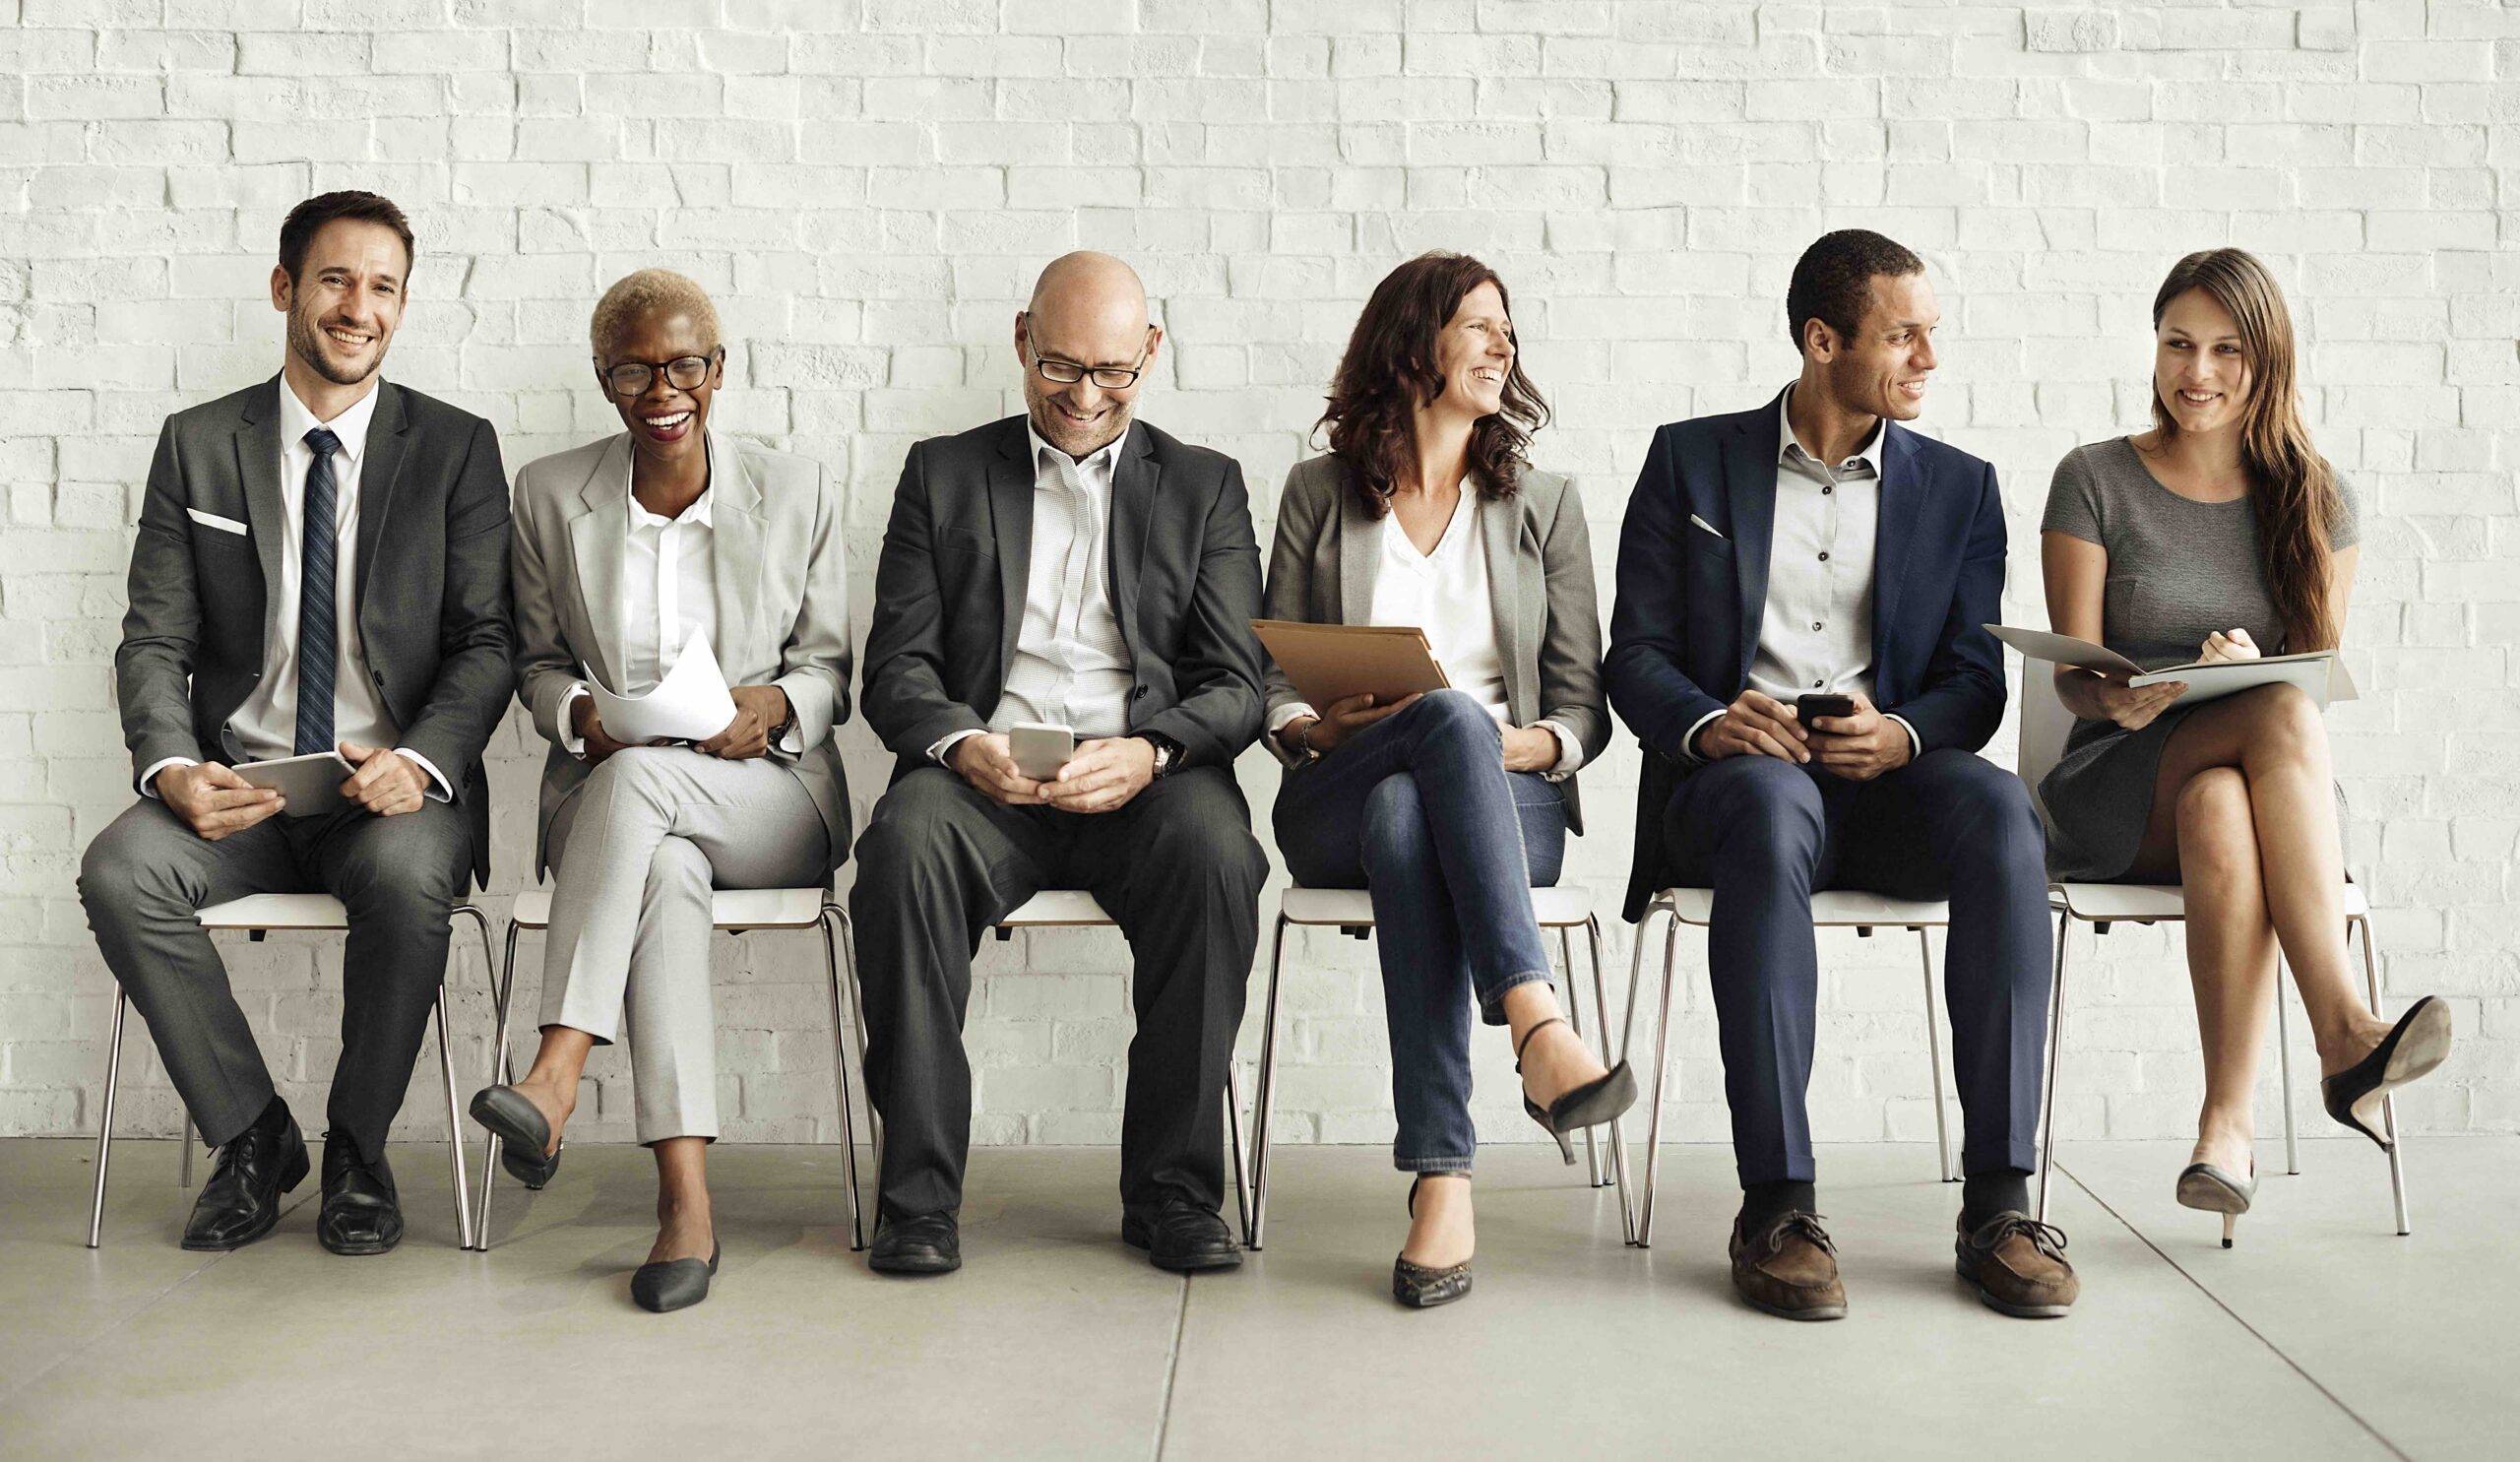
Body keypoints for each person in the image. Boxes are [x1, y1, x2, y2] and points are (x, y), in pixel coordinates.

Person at [1605, 228, 2078, 1321]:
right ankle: (1776, 1204)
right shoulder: (1690, 460)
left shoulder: (1962, 488)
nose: (1926, 358)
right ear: (1822, 341)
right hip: (1736, 788)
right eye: (1902, 335)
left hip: (1888, 786)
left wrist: (1904, 733)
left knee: (2003, 809)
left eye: (1930, 334)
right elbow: (1634, 654)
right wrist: (1713, 722)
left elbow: (1973, 678)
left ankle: (2000, 1203)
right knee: (1771, 808)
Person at [77, 191, 514, 1256]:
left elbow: (488, 641)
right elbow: (153, 642)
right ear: (285, 289)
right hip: (247, 790)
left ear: (402, 307)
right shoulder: (199, 445)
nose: (356, 307)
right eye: (334, 279)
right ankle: (254, 1135)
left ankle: (358, 1148)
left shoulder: (456, 448)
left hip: (387, 797)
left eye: (381, 287)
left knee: (411, 880)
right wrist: (171, 765)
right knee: (120, 873)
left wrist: (420, 761)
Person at [850, 252, 1268, 1278]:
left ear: (1152, 353)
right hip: (984, 775)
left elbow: (1238, 681)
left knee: (1221, 857)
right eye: (1060, 367)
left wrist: (1152, 749)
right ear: (1020, 339)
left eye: (1115, 373)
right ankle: (917, 1201)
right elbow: (895, 669)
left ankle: (1171, 1194)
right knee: (900, 851)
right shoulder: (942, 473)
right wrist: (962, 745)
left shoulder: (1205, 486)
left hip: (1145, 777)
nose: (1085, 397)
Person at [2039, 248, 2452, 1245]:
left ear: (2267, 361)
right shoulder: (2093, 479)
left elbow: (2313, 682)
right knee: (2268, 720)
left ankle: (2224, 1131)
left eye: (2225, 349)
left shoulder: (2316, 497)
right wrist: (2118, 696)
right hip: (2112, 787)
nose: (2197, 372)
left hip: (2249, 796)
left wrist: (2251, 661)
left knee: (2226, 792)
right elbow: (2069, 674)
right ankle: (2344, 1032)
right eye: (2178, 344)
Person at [467, 270, 852, 1312]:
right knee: (664, 869)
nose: (662, 387)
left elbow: (831, 670)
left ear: (719, 370)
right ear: (605, 381)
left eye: (685, 363)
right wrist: (578, 716)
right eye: (634, 368)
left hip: (768, 798)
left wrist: (770, 704)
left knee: (647, 791)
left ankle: (553, 1075)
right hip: (620, 807)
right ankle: (686, 1205)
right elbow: (538, 663)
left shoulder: (798, 487)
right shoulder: (551, 495)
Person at [1260, 252, 1629, 1308]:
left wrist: (1518, 743)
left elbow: (1579, 709)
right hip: (1338, 778)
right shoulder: (1317, 493)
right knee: (1413, 758)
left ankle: (1442, 1177)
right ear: (1410, 341)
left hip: (1503, 800)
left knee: (1416, 800)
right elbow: (1266, 677)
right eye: (1476, 324)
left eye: (1507, 328)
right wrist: (1310, 719)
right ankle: (1535, 1027)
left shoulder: (1543, 506)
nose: (1501, 344)